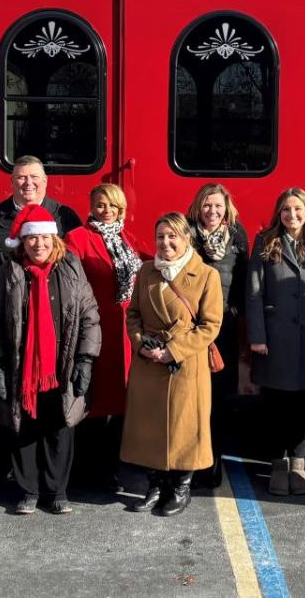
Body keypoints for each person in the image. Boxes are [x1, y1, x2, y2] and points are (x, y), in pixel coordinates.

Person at [0, 204, 101, 515]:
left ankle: (57, 491)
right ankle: (28, 491)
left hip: (63, 364)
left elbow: (90, 315)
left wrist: (86, 358)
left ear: (54, 239)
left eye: (45, 238)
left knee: (60, 426)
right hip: (22, 368)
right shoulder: (10, 270)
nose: (39, 244)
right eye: (32, 239)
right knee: (25, 429)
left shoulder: (72, 267)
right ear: (23, 242)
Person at [121, 212, 223, 516]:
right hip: (149, 363)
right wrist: (141, 345)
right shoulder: (146, 271)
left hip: (185, 364)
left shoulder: (206, 275)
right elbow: (133, 315)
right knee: (150, 427)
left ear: (186, 239)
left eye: (172, 236)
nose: (165, 242)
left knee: (184, 427)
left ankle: (181, 489)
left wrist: (173, 351)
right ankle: (154, 487)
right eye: (160, 237)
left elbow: (210, 325)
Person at [247, 187, 305, 496]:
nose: (292, 215)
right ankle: (277, 464)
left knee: (303, 407)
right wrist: (257, 336)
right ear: (279, 213)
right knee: (275, 405)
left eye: (298, 209)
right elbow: (254, 293)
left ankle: (299, 464)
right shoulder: (265, 241)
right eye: (286, 209)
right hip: (275, 340)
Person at [65, 184, 146, 489]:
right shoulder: (77, 238)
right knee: (93, 401)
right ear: (91, 206)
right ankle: (89, 470)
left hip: (123, 332)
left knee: (120, 402)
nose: (106, 211)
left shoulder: (125, 237)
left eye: (112, 205)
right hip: (96, 329)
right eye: (100, 205)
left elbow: (146, 262)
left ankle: (114, 466)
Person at [186, 183, 249, 488]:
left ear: (227, 209)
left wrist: (235, 311)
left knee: (219, 399)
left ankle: (212, 462)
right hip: (189, 328)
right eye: (207, 205)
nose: (212, 211)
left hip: (222, 329)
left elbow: (243, 279)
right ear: (198, 207)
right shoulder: (185, 233)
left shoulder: (237, 235)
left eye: (218, 206)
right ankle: (189, 461)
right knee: (191, 397)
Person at [0, 156, 81, 252]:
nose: (29, 182)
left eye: (34, 177)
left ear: (45, 181)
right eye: (21, 177)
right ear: (12, 182)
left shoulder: (65, 217)